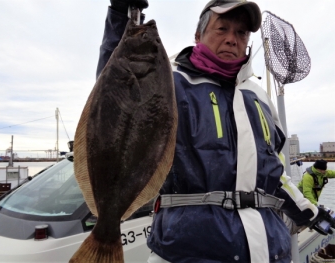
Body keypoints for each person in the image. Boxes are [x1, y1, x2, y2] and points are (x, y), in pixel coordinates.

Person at [96, 0, 335, 262]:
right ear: (198, 36)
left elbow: (273, 174)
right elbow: (114, 94)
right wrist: (120, 14)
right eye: (222, 29)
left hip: (269, 250)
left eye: (241, 32)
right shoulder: (170, 80)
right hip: (189, 251)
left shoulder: (260, 98)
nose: (232, 39)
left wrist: (312, 214)